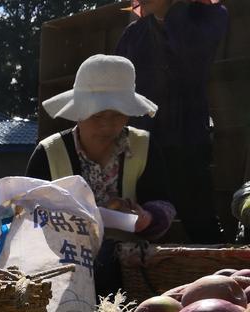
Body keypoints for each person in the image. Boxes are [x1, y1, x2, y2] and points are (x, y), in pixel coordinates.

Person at [28, 54, 177, 297]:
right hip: (61, 265)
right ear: (79, 112)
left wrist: (148, 218)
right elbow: (29, 217)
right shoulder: (49, 153)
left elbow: (164, 202)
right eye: (97, 116)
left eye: (117, 115)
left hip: (129, 268)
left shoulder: (143, 146)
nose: (107, 125)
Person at [116, 0, 228, 244]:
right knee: (139, 225)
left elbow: (191, 58)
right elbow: (118, 89)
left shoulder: (209, 16)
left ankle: (217, 274)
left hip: (186, 140)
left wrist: (173, 11)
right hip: (140, 145)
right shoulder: (134, 33)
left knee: (201, 223)